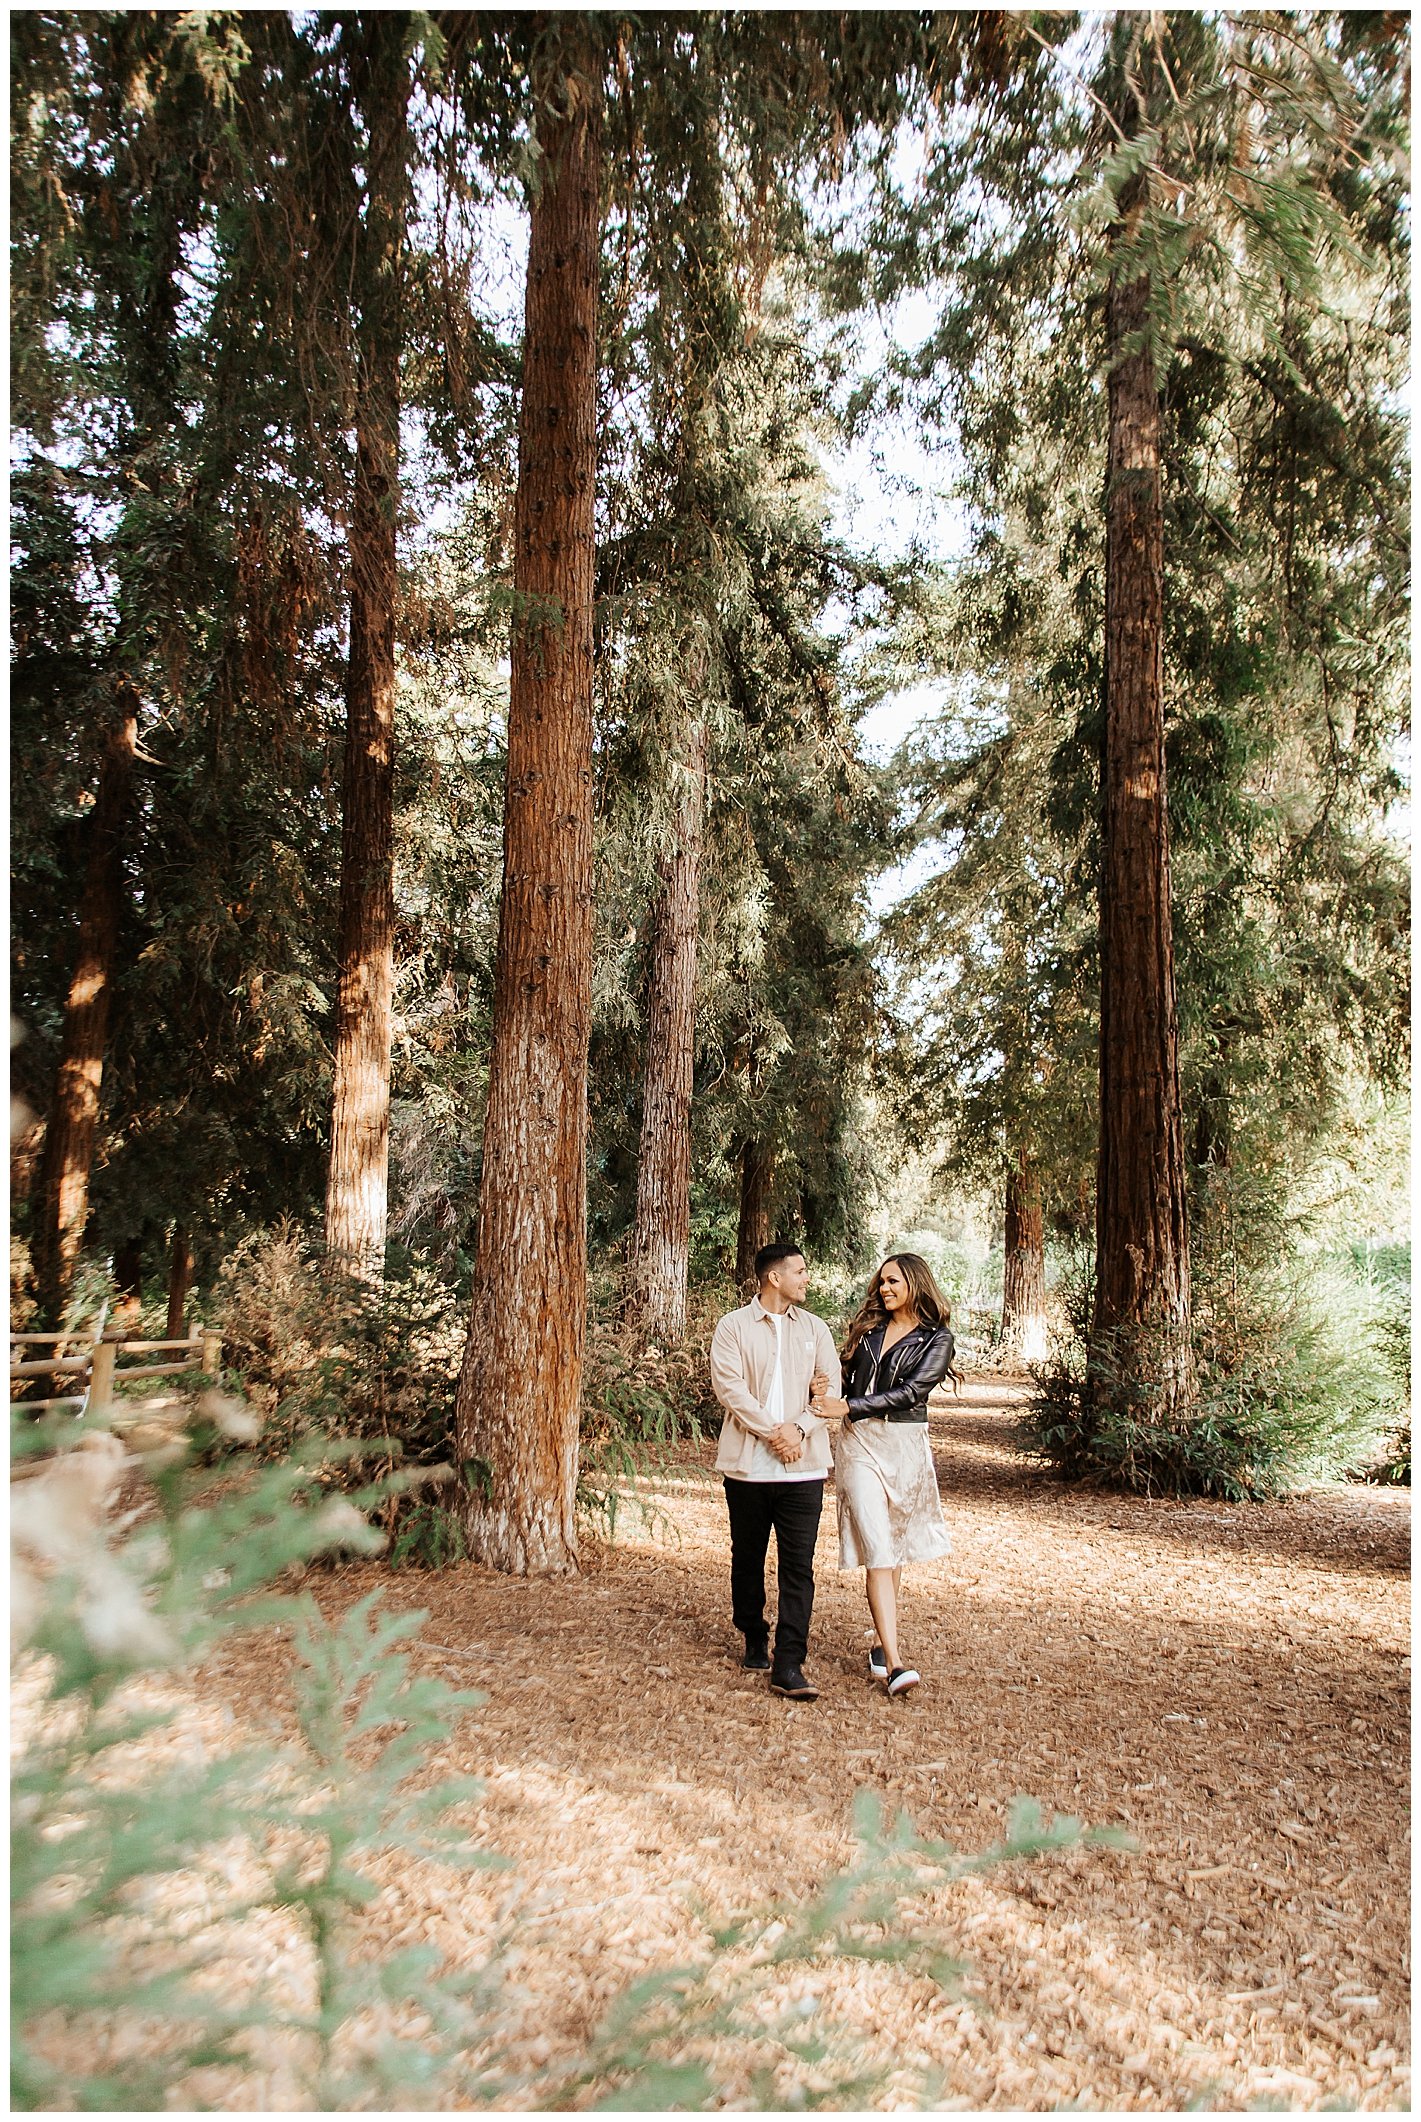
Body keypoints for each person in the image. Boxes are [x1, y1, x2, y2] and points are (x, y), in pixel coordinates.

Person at [814, 1253, 954, 1698]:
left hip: (906, 1446)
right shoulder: (869, 1330)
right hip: (859, 1445)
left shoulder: (937, 1338)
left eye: (892, 1281)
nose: (884, 1289)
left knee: (892, 1547)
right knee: (878, 1548)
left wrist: (849, 1406)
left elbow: (913, 1392)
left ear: (915, 1283)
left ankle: (879, 1640)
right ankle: (895, 1663)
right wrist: (827, 1387)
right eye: (881, 1283)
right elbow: (843, 1373)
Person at [709, 1242, 841, 1701]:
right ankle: (752, 1634)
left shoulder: (816, 1329)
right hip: (748, 1468)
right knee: (747, 1559)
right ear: (773, 1277)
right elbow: (731, 1390)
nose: (806, 1278)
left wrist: (800, 1430)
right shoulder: (732, 1327)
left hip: (804, 1469)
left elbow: (831, 1390)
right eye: (800, 1271)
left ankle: (789, 1662)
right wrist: (775, 1433)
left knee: (798, 1567)